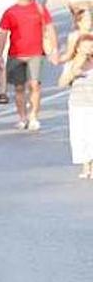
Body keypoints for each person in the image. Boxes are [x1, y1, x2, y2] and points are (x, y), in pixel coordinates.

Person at [0, 0, 58, 131]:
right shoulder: (10, 12)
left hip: (35, 53)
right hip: (16, 54)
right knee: (19, 88)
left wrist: (54, 49)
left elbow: (50, 29)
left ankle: (33, 117)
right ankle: (22, 117)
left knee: (35, 85)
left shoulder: (39, 8)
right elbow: (3, 34)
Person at [58, 34, 93, 179]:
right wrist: (74, 72)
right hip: (78, 104)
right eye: (84, 47)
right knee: (81, 136)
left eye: (90, 46)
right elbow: (61, 83)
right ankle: (86, 166)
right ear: (77, 48)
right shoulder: (71, 64)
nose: (88, 50)